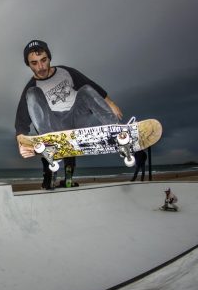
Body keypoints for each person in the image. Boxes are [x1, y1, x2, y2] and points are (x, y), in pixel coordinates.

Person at [15, 40, 123, 186]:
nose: (40, 67)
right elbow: (21, 121)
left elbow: (91, 85)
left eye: (43, 60)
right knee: (32, 93)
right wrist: (22, 143)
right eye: (34, 63)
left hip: (75, 118)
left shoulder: (65, 72)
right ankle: (50, 146)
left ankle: (118, 133)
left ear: (49, 58)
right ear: (28, 65)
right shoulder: (32, 86)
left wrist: (111, 103)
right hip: (53, 124)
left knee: (85, 89)